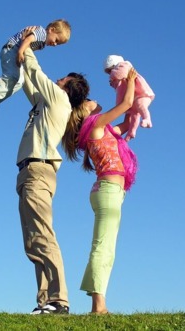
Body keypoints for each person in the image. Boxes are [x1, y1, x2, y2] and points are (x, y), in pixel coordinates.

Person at [16, 47, 89, 315]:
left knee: (43, 235)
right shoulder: (45, 104)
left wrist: (28, 46)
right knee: (33, 240)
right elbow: (29, 81)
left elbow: (36, 72)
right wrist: (19, 62)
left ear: (67, 89)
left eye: (62, 81)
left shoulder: (59, 99)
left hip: (38, 170)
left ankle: (60, 300)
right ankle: (46, 301)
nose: (57, 81)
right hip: (28, 171)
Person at [62, 67, 139, 314]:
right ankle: (98, 306)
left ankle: (98, 302)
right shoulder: (96, 126)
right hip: (107, 191)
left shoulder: (103, 130)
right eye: (87, 102)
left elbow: (126, 121)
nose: (92, 102)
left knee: (105, 246)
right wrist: (129, 80)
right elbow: (126, 104)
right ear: (84, 112)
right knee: (103, 247)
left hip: (109, 192)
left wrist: (139, 101)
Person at [0, 19, 71, 113]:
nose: (55, 44)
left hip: (14, 51)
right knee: (11, 76)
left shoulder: (42, 43)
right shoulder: (42, 33)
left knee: (19, 82)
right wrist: (20, 51)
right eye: (56, 40)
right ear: (51, 30)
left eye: (58, 44)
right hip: (12, 50)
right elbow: (28, 39)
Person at [104, 55, 155, 141]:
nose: (111, 73)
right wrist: (114, 83)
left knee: (141, 105)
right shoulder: (119, 77)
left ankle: (147, 119)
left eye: (111, 70)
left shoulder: (124, 65)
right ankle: (131, 132)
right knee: (134, 116)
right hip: (133, 98)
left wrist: (113, 77)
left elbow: (121, 73)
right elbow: (120, 86)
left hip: (141, 94)